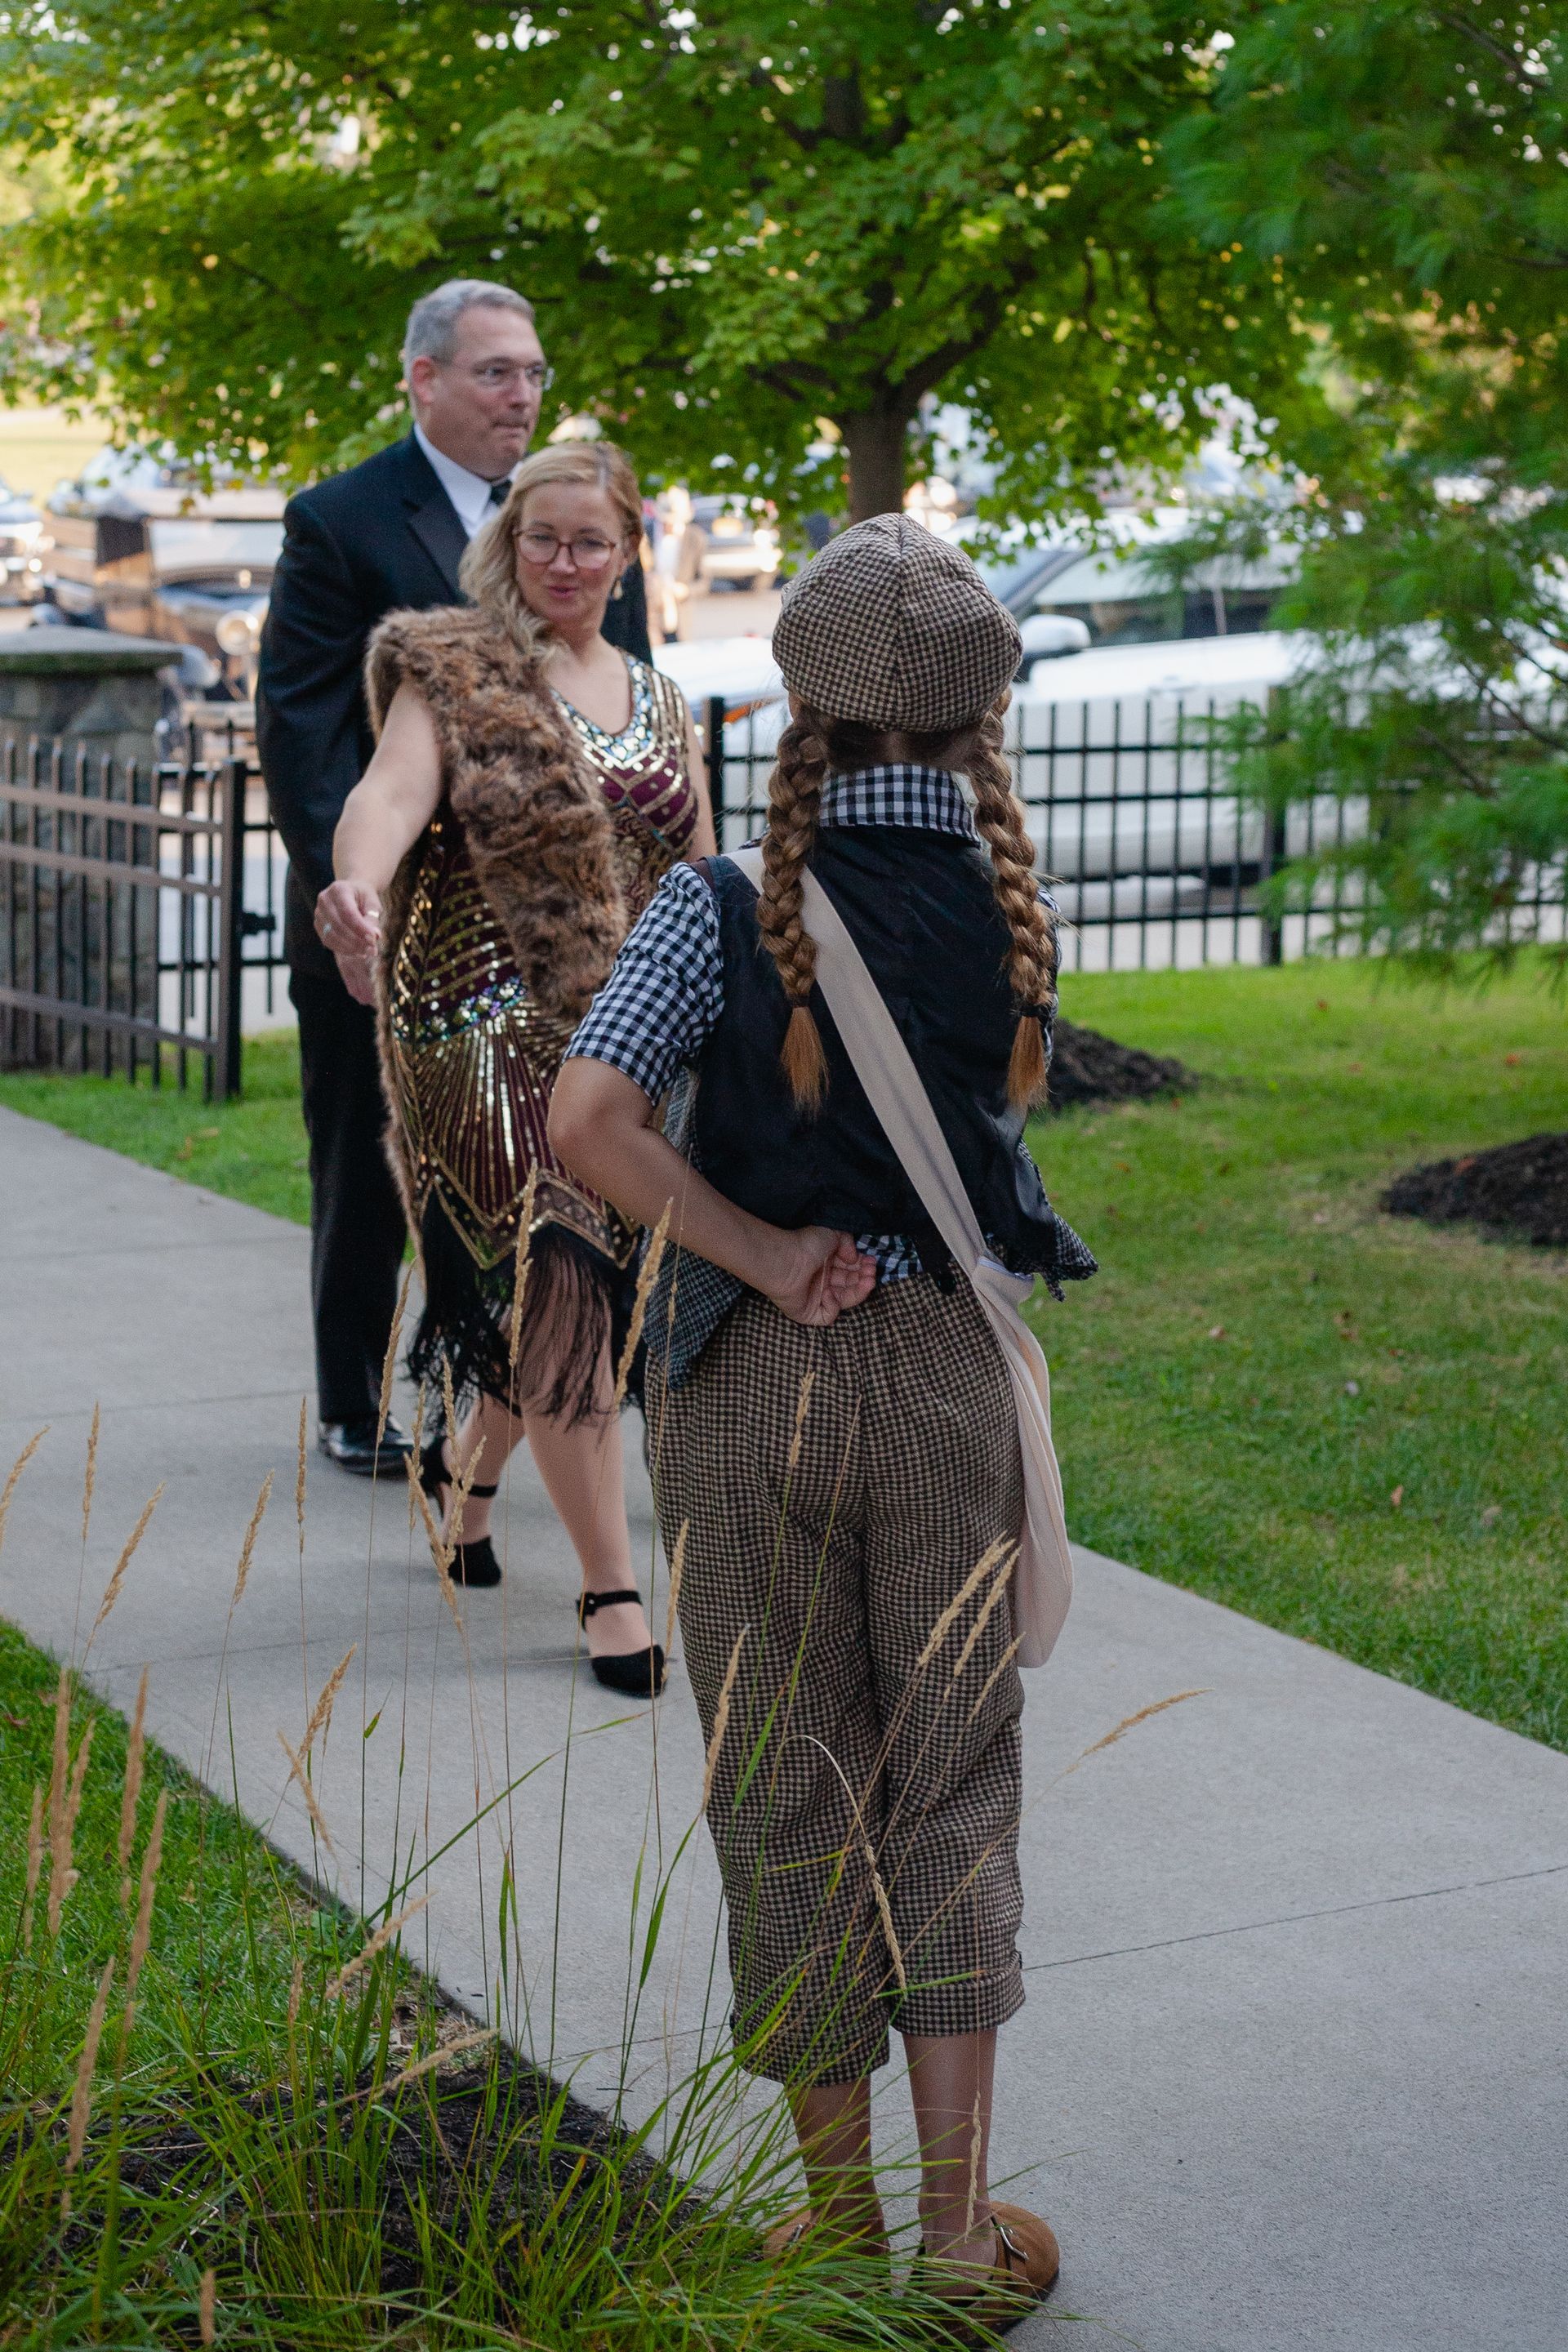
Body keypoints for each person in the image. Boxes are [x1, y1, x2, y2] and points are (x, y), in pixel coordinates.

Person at [549, 517, 1094, 2319]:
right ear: (980, 713)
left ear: (804, 700)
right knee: (949, 1784)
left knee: (785, 1784)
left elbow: (589, 1124)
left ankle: (838, 2227)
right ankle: (958, 2239)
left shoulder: (718, 908)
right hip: (938, 1379)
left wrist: (769, 1254)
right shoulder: (1012, 914)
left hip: (748, 1394)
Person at [313, 440, 714, 1697]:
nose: (564, 561)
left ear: (628, 552)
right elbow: (387, 797)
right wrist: (357, 886)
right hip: (474, 1021)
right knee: (563, 1269)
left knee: (572, 1292)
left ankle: (465, 1479)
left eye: (590, 541)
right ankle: (612, 1590)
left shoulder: (660, 698)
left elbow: (700, 870)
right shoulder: (457, 671)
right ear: (509, 543)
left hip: (620, 1034)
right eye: (542, 537)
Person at [257, 277, 653, 1477]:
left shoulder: (580, 512)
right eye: (495, 372)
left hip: (557, 936)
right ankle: (356, 1399)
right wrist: (361, 899)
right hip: (389, 924)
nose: (521, 394)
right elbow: (305, 734)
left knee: (571, 1168)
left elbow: (626, 704)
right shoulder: (339, 522)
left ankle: (518, 1403)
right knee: (373, 1164)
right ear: (423, 379)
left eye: (533, 372)